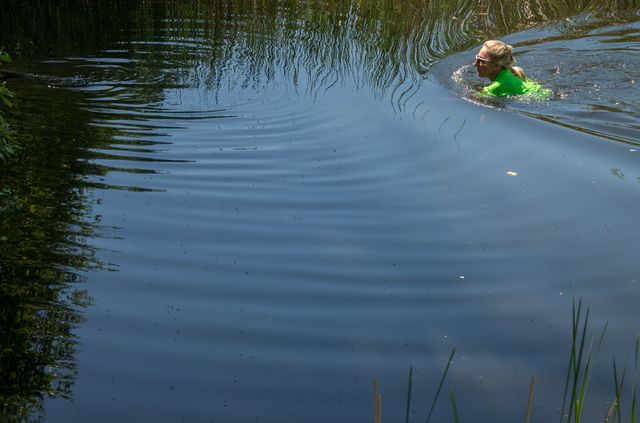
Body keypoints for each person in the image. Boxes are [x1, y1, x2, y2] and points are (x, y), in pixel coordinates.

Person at [474, 40, 549, 98]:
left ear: (496, 65)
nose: (475, 64)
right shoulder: (509, 71)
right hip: (544, 93)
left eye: (481, 61)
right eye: (477, 58)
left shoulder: (492, 89)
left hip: (539, 99)